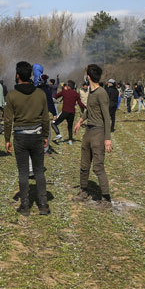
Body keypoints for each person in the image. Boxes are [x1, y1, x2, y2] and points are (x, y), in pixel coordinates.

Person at [4, 61, 50, 216]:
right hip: (37, 136)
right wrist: (45, 135)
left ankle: (25, 206)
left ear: (17, 75)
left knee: (23, 172)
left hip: (20, 137)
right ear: (30, 75)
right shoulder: (40, 94)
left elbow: (8, 120)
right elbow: (45, 118)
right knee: (39, 171)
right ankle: (43, 205)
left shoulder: (11, 95)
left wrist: (7, 139)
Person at [72, 64, 113, 210]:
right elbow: (89, 110)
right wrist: (80, 121)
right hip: (88, 132)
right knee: (84, 165)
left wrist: (107, 138)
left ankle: (106, 198)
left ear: (88, 76)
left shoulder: (101, 93)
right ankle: (84, 191)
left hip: (98, 133)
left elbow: (107, 117)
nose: (85, 75)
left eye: (85, 73)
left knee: (98, 167)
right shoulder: (90, 91)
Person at [53, 80, 85, 144]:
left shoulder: (64, 92)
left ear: (69, 86)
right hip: (72, 113)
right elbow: (80, 104)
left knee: (53, 124)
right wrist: (86, 107)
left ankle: (58, 134)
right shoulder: (76, 94)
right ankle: (70, 141)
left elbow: (56, 96)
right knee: (70, 126)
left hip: (65, 111)